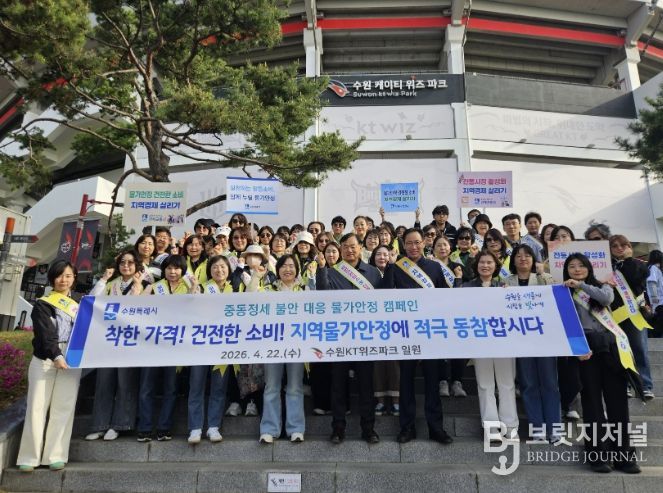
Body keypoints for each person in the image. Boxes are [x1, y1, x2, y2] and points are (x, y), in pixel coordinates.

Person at [564, 253, 641, 474]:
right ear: (566, 270)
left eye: (581, 265)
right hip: (585, 350)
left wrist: (581, 285)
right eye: (572, 266)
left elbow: (606, 300)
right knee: (592, 405)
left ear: (589, 268)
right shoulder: (564, 293)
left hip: (610, 348)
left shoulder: (602, 286)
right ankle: (597, 455)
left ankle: (624, 456)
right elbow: (565, 323)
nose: (577, 269)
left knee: (618, 404)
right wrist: (576, 350)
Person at [379, 228, 453, 445]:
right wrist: (390, 266)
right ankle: (407, 427)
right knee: (406, 383)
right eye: (409, 243)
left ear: (423, 243)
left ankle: (436, 428)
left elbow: (445, 298)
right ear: (403, 245)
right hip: (405, 333)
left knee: (432, 382)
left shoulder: (434, 267)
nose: (413, 247)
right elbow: (384, 294)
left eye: (417, 242)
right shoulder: (397, 267)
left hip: (429, 332)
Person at [316, 233, 382, 444]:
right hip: (340, 337)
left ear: (360, 247)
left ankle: (368, 428)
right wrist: (321, 269)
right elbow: (323, 295)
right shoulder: (332, 271)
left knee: (366, 385)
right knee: (338, 384)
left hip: (365, 337)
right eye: (345, 246)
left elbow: (383, 302)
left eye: (353, 246)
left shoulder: (372, 272)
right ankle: (338, 428)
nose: (349, 250)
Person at [17, 261, 82, 472]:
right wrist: (56, 355)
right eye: (59, 276)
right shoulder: (42, 304)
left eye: (68, 276)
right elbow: (45, 334)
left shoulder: (80, 303)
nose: (64, 280)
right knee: (36, 407)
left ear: (74, 278)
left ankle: (55, 455)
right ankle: (29, 457)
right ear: (52, 278)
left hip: (71, 359)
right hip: (45, 359)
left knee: (64, 407)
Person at [85, 250, 148, 442]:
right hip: (109, 340)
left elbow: (141, 310)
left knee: (125, 382)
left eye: (130, 262)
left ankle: (120, 424)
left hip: (130, 341)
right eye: (122, 262)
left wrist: (137, 285)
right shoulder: (111, 284)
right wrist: (104, 279)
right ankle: (99, 425)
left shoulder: (147, 285)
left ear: (137, 265)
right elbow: (92, 300)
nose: (126, 266)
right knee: (104, 382)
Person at [504, 245, 560, 442]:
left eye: (527, 255)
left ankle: (554, 428)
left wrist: (542, 274)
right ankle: (537, 428)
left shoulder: (545, 278)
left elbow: (556, 298)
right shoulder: (506, 282)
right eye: (518, 256)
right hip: (521, 340)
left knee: (550, 383)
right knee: (528, 384)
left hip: (545, 339)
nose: (523, 259)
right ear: (513, 260)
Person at [139, 255, 198, 442]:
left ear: (182, 270)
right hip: (152, 344)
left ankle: (164, 428)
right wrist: (143, 287)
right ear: (164, 270)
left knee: (170, 389)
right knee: (146, 388)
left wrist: (194, 288)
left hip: (175, 346)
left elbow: (197, 310)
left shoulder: (187, 287)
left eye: (177, 268)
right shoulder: (154, 287)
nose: (173, 272)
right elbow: (137, 307)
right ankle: (145, 428)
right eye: (169, 268)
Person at [463, 251, 519, 440]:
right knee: (485, 384)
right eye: (482, 262)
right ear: (476, 265)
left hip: (504, 342)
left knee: (507, 383)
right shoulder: (467, 287)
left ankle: (510, 426)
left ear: (496, 266)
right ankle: (491, 428)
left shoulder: (504, 287)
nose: (485, 266)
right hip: (480, 342)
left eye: (489, 262)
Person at [187, 256, 236, 444]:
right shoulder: (201, 287)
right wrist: (192, 291)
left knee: (219, 387)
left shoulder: (235, 288)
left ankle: (213, 426)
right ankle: (195, 428)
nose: (219, 270)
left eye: (223, 267)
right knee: (196, 386)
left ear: (228, 269)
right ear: (209, 270)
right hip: (200, 345)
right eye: (215, 267)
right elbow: (189, 309)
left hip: (223, 345)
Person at [259, 255, 308, 444]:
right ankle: (269, 429)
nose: (288, 269)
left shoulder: (305, 290)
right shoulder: (268, 289)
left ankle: (296, 429)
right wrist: (256, 277)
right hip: (273, 345)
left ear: (297, 269)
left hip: (297, 345)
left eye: (291, 266)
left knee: (295, 387)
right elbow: (250, 300)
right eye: (284, 266)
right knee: (271, 386)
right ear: (277, 269)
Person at [609, 234, 654, 400]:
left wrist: (628, 260)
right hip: (614, 314)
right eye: (615, 246)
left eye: (623, 245)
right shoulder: (606, 266)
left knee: (639, 349)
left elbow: (635, 278)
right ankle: (626, 384)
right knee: (620, 351)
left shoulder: (639, 264)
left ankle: (645, 385)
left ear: (629, 246)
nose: (619, 248)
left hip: (634, 313)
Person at [430, 235, 467, 398]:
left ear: (450, 248)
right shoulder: (429, 267)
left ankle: (457, 382)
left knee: (458, 348)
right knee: (440, 348)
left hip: (457, 312)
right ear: (433, 249)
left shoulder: (458, 267)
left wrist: (458, 279)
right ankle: (442, 381)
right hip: (436, 312)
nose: (442, 248)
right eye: (439, 245)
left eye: (445, 245)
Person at [369, 245, 401, 416]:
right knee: (378, 364)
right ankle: (380, 401)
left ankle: (396, 400)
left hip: (395, 324)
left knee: (394, 363)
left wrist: (392, 266)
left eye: (386, 254)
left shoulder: (398, 270)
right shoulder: (368, 274)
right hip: (373, 325)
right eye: (379, 254)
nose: (382, 257)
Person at [647, 250, 663, 338]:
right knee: (658, 322)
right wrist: (654, 298)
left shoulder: (652, 268)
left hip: (658, 300)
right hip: (658, 301)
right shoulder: (654, 268)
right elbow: (652, 283)